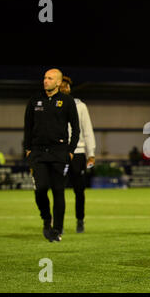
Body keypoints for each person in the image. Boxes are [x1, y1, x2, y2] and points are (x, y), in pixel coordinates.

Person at [24, 68, 80, 242]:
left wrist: (70, 150)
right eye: (44, 77)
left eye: (49, 78)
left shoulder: (67, 101)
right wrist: (27, 149)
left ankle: (57, 229)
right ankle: (46, 218)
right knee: (40, 189)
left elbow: (76, 128)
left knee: (58, 191)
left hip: (59, 153)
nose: (45, 80)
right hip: (38, 153)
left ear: (58, 82)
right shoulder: (35, 100)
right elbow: (27, 126)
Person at [59, 75, 96, 234]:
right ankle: (57, 223)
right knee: (57, 189)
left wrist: (91, 153)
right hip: (58, 153)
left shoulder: (80, 106)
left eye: (67, 86)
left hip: (78, 153)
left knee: (79, 190)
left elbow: (87, 130)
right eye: (62, 85)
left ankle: (80, 220)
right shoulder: (52, 106)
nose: (64, 88)